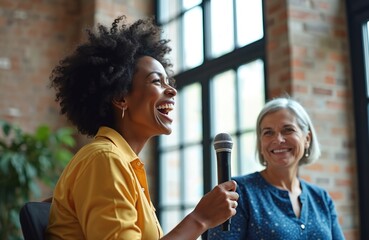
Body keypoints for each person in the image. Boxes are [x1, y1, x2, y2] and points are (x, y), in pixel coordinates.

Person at [45, 15, 239, 240]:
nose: (172, 90)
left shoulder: (122, 163)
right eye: (157, 81)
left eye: (169, 82)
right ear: (120, 97)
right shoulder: (105, 159)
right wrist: (200, 219)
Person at [207, 97, 345, 240]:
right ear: (261, 143)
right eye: (268, 132)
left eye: (288, 130)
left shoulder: (321, 198)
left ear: (307, 139)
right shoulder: (237, 192)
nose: (278, 139)